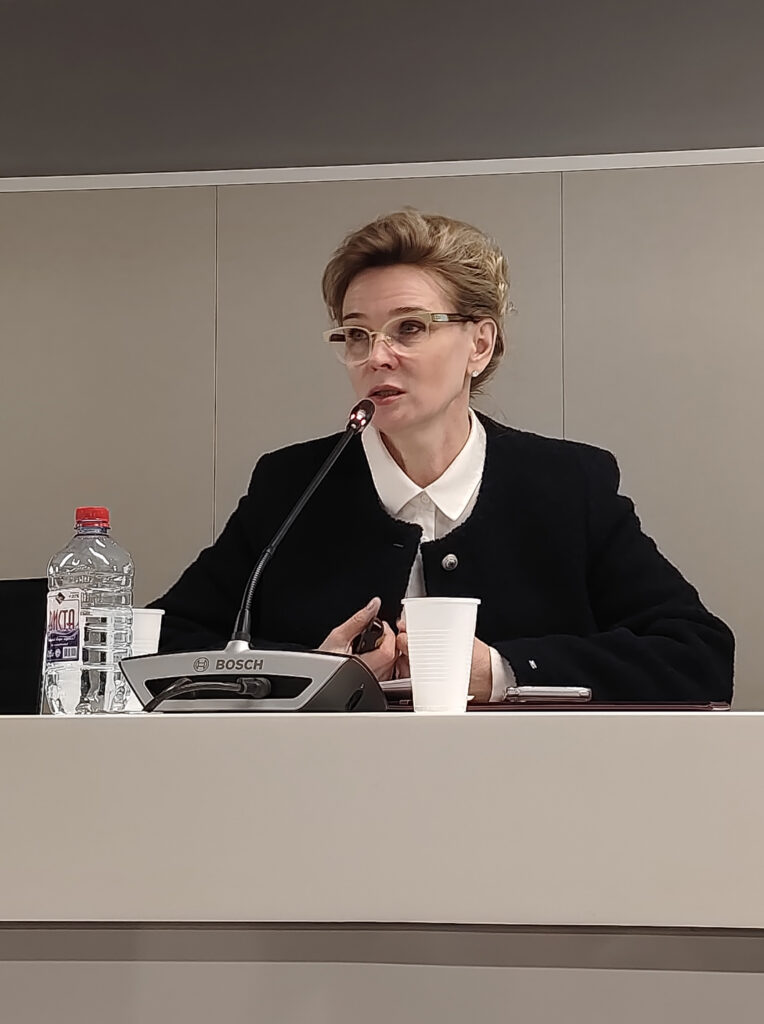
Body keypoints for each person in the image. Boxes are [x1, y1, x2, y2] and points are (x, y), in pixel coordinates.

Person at [152, 209, 734, 703]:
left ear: (479, 344)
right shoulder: (293, 485)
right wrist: (312, 676)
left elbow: (696, 652)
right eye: (356, 334)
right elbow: (164, 641)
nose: (376, 356)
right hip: (325, 786)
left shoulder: (567, 484)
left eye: (409, 328)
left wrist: (501, 671)